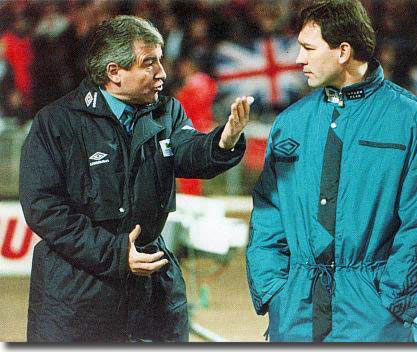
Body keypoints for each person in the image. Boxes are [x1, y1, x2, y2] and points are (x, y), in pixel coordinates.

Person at [19, 15, 251, 343]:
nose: (162, 73)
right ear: (114, 72)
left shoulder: (167, 112)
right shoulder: (56, 123)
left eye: (160, 60)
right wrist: (115, 252)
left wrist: (223, 141)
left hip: (153, 288)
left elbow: (189, 153)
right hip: (75, 295)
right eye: (149, 63)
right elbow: (44, 208)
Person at [246, 0, 417, 342]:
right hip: (296, 317)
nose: (299, 59)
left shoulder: (411, 121)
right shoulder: (290, 124)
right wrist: (274, 292)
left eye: (308, 48)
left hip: (377, 321)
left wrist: (392, 307)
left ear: (343, 51)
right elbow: (267, 217)